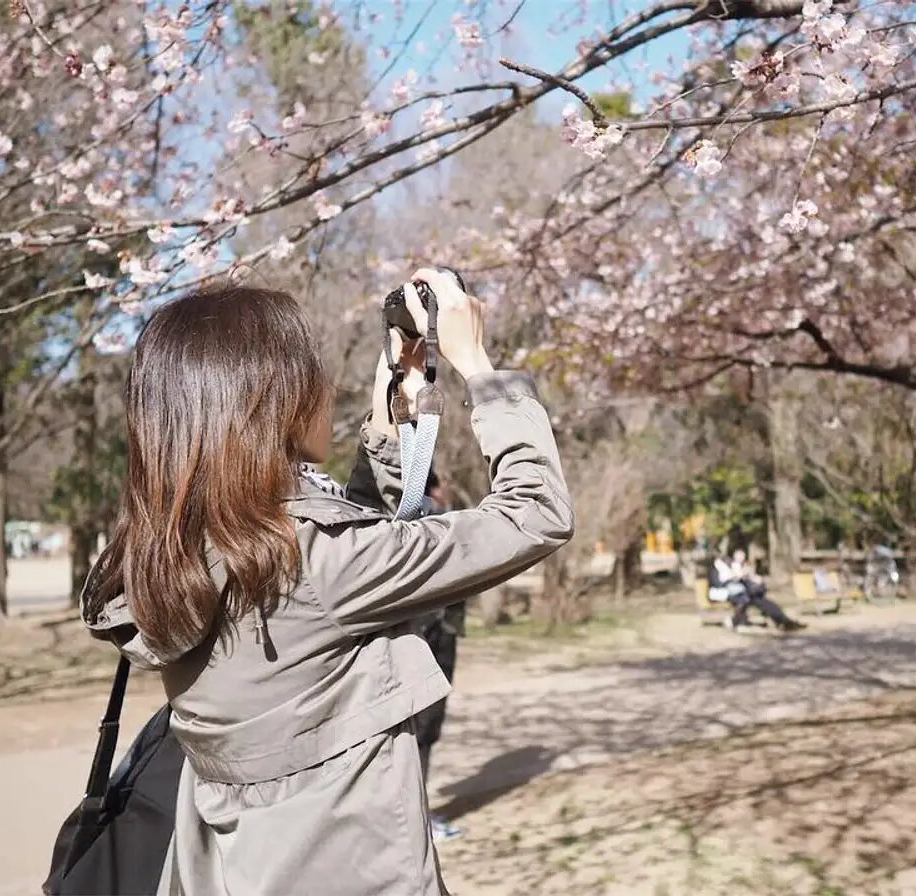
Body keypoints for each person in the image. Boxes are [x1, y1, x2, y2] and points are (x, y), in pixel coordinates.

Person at [81, 271, 574, 896]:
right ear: (273, 400)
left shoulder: (170, 553)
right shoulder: (318, 565)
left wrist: (395, 414)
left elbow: (331, 568)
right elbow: (536, 513)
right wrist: (479, 365)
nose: (325, 386)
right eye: (309, 372)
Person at [416, 472, 466, 842]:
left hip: (434, 634)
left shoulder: (423, 515)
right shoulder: (431, 515)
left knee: (422, 734)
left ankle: (419, 817)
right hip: (430, 639)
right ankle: (419, 821)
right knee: (422, 732)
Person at [712, 549, 804, 632]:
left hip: (744, 594)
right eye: (739, 556)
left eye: (742, 557)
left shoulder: (735, 565)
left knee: (765, 602)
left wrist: (752, 578)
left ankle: (784, 621)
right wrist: (739, 576)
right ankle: (784, 622)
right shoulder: (720, 566)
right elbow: (723, 581)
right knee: (759, 599)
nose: (741, 559)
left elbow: (741, 578)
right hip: (731, 594)